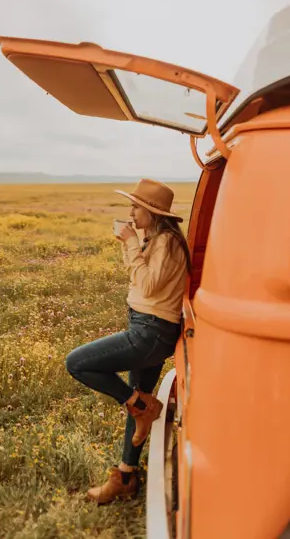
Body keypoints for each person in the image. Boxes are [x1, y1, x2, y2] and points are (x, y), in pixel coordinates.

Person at [65, 178, 190, 503]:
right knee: (138, 407)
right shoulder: (157, 239)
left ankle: (139, 407)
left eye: (136, 207)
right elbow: (139, 277)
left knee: (77, 363)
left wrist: (132, 242)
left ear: (151, 212)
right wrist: (131, 243)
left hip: (149, 332)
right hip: (149, 328)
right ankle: (125, 477)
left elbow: (146, 286)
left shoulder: (165, 242)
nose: (131, 212)